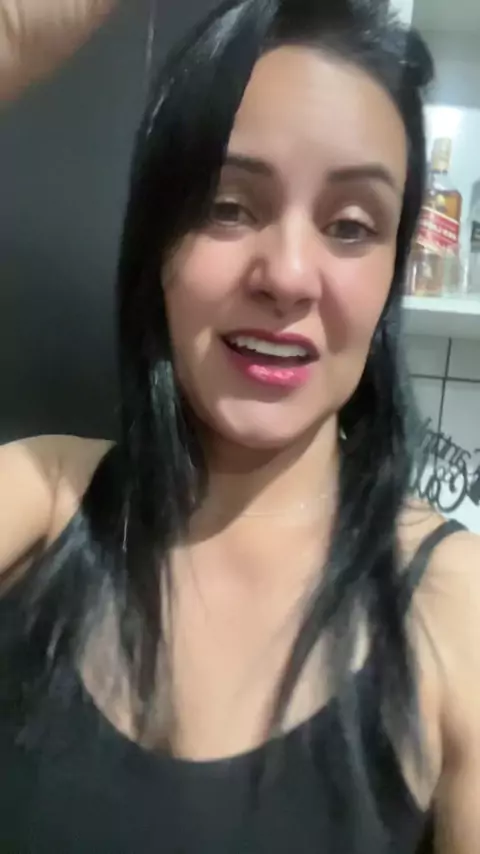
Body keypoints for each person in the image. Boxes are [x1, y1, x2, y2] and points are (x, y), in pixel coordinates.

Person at [1, 0, 479, 851]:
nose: (288, 276)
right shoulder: (41, 504)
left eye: (351, 226)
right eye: (227, 206)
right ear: (158, 240)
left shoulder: (456, 607)